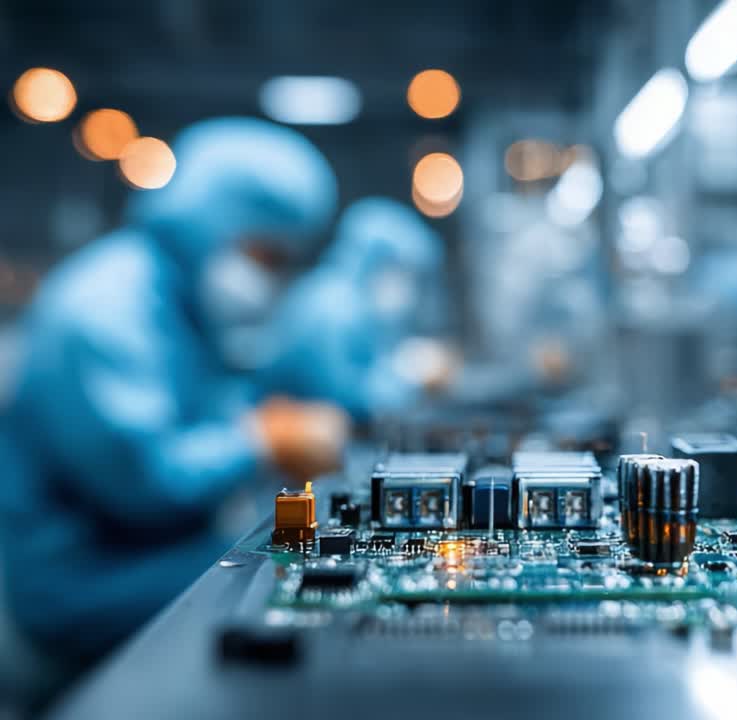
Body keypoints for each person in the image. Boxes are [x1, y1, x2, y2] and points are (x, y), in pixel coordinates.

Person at [0, 117, 348, 676]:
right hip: (80, 586)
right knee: (297, 577)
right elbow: (144, 488)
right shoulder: (105, 310)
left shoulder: (174, 301)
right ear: (209, 220)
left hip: (142, 555)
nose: (274, 278)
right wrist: (259, 439)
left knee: (301, 548)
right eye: (265, 254)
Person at [260, 196, 452, 421]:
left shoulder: (354, 307)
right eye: (401, 271)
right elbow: (341, 403)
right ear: (375, 261)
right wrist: (407, 376)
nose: (406, 286)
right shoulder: (332, 310)